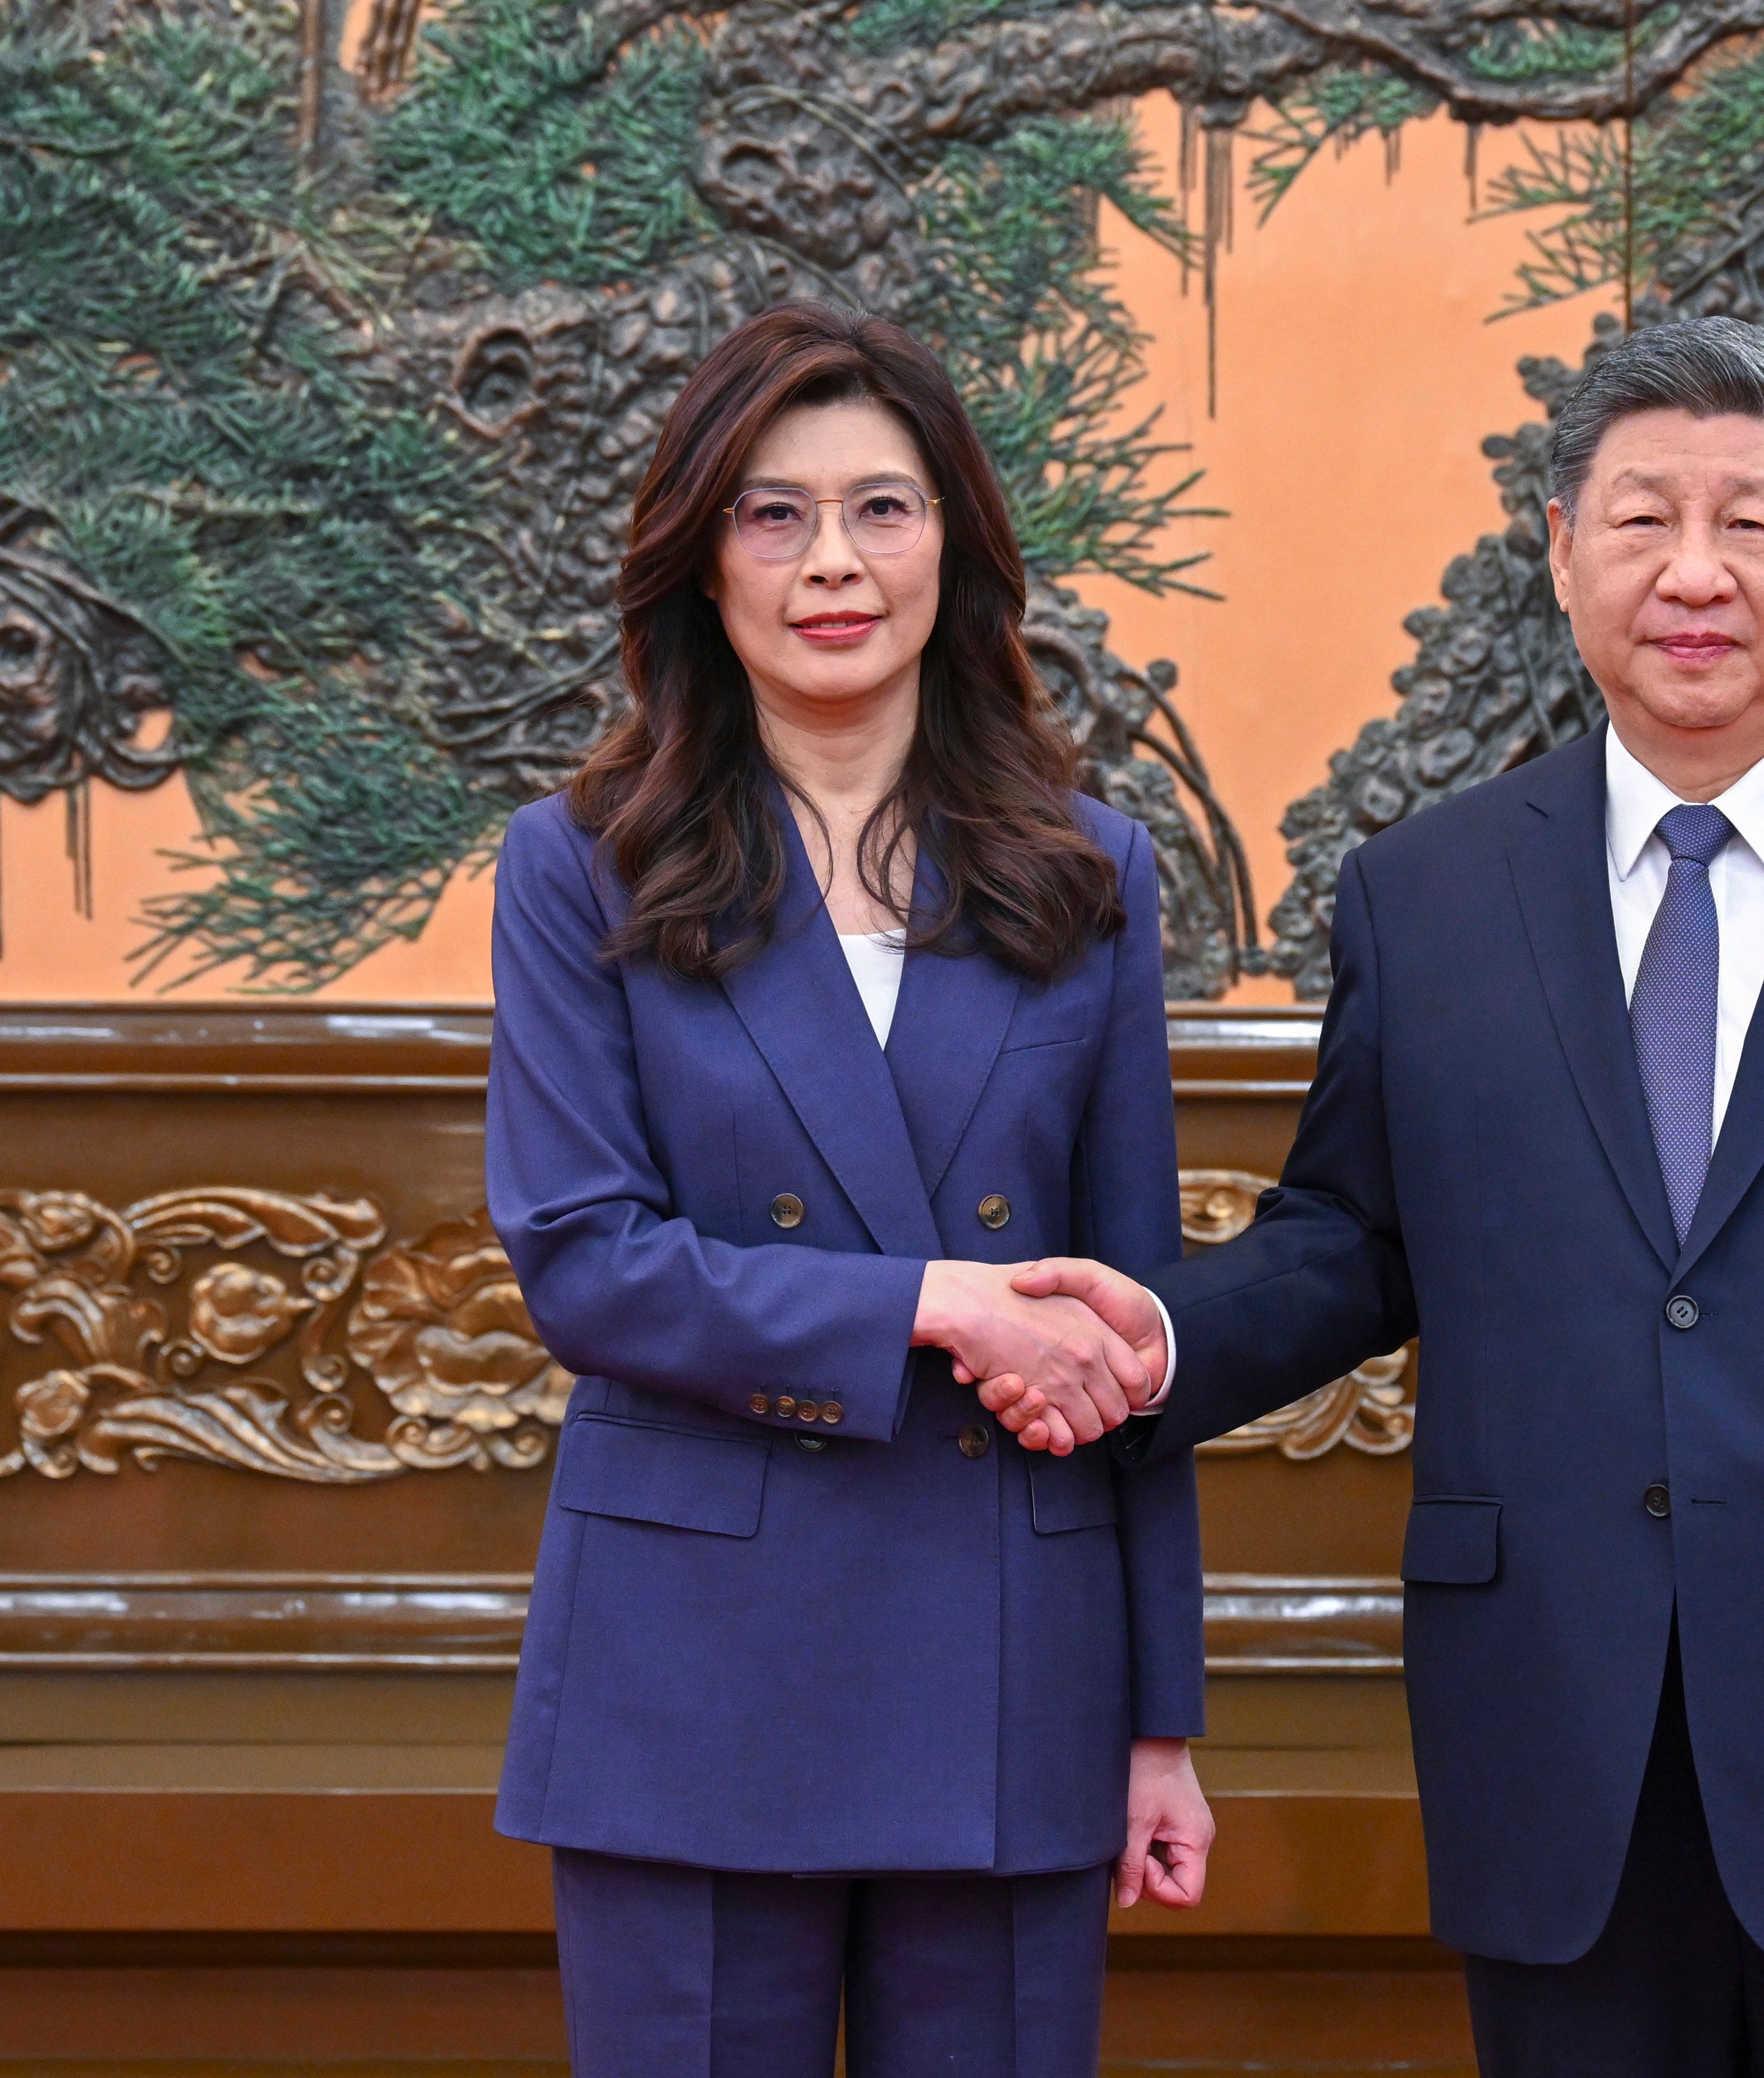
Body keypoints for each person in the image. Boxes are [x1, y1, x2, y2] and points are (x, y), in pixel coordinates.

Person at [988, 317, 1764, 2078]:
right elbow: (1353, 1238)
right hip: (1558, 1718)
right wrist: (1155, 1338)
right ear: (1560, 554)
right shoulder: (1427, 894)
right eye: (1641, 521)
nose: (1694, 573)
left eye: (1751, 519)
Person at [483, 301, 1211, 2078]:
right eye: (772, 512)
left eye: (882, 509)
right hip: (695, 1674)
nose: (833, 563)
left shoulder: (1087, 871)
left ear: (952, 546)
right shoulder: (581, 864)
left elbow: (1128, 1325)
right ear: (700, 559)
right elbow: (586, 1265)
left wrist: (1157, 1723)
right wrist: (937, 1304)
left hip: (1014, 1668)